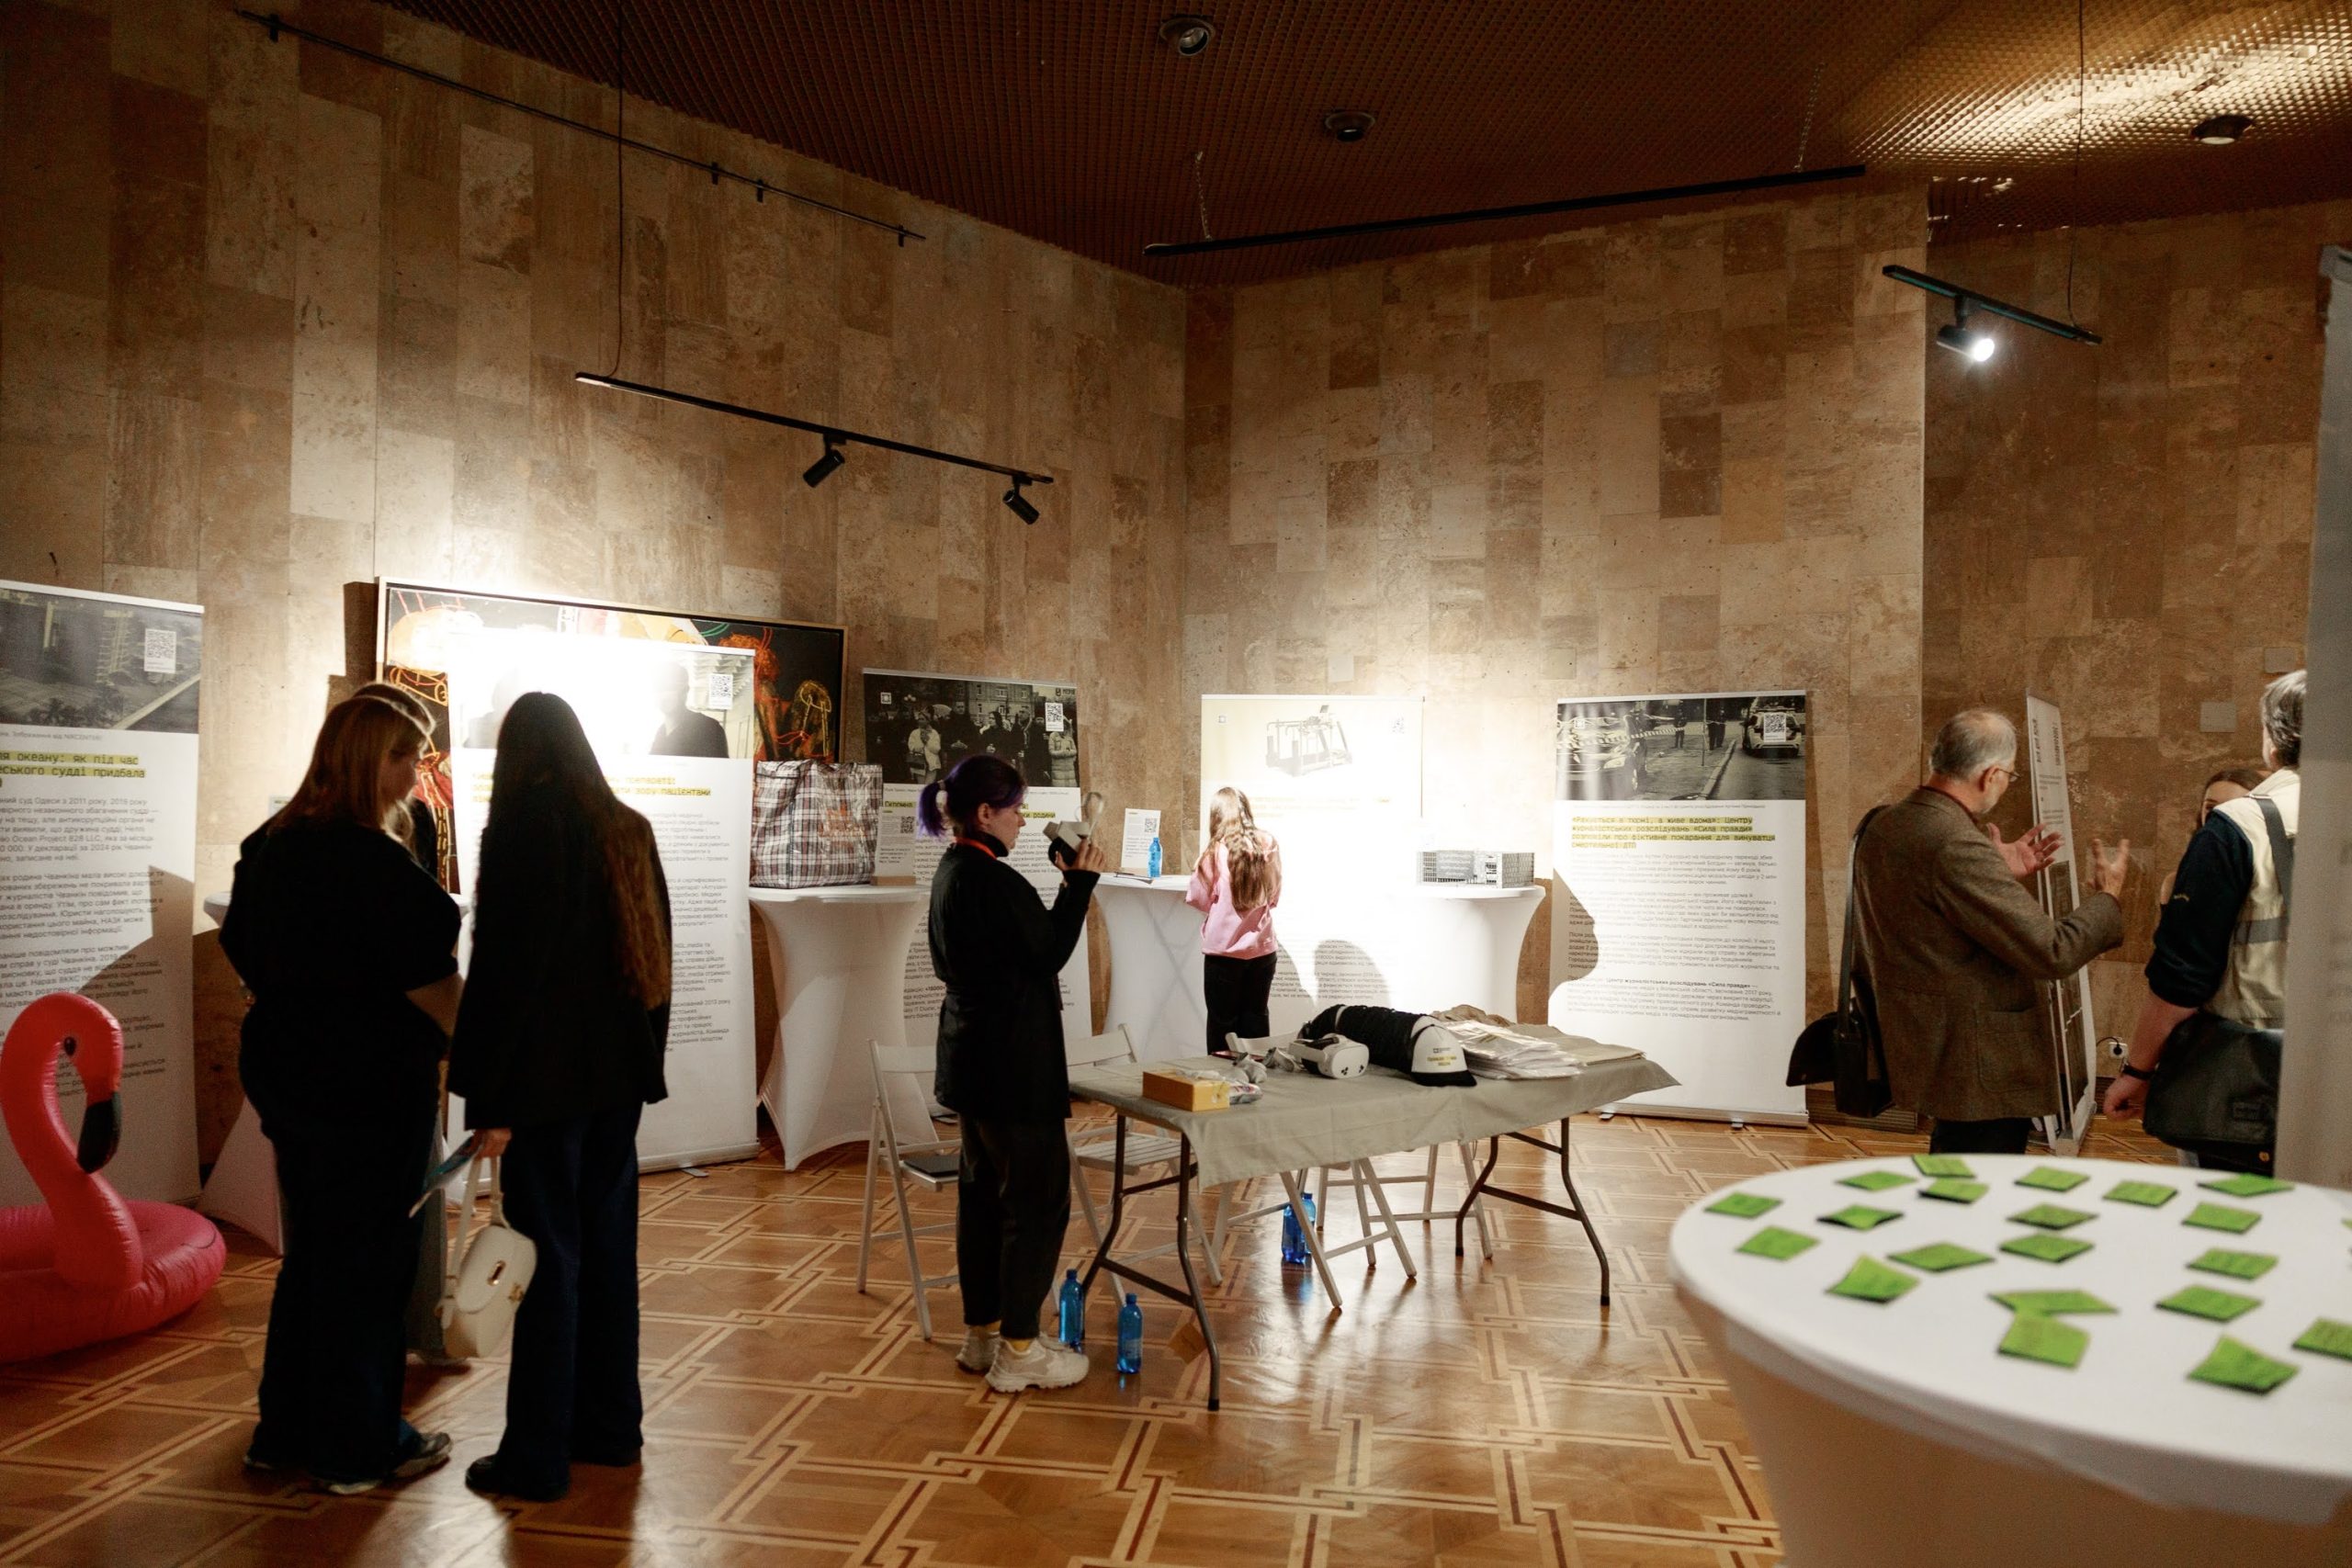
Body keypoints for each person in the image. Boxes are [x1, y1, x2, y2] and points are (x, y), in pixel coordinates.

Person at [220, 694, 462, 1494]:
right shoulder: (374, 863)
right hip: (369, 1085)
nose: (416, 775)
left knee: (315, 1254)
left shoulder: (271, 845)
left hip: (289, 1074)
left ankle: (284, 1430)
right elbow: (433, 988)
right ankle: (358, 1447)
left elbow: (243, 949)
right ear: (368, 760)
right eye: (405, 757)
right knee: (369, 1264)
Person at [448, 694, 673, 1502]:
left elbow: (507, 974)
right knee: (608, 1257)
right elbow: (657, 961)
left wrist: (486, 1095)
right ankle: (610, 1429)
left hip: (543, 1089)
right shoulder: (627, 828)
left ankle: (537, 1456)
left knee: (544, 1264)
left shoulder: (524, 829)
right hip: (616, 1083)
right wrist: (645, 1062)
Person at [1850, 708, 2130, 1155]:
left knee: (1955, 1170)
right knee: (1978, 1180)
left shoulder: (1884, 823)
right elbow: (2052, 950)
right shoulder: (1956, 842)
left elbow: (1932, 915)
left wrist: (1994, 870)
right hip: (1979, 1060)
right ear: (1991, 775)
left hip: (1923, 1041)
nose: (2006, 784)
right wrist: (2108, 899)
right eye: (2010, 776)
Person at [921, 753, 1106, 1393]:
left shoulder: (953, 872)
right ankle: (1021, 1349)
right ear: (984, 812)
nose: (1023, 821)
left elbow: (1021, 949)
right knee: (1036, 1203)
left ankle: (984, 1332)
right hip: (1013, 1068)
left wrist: (1064, 885)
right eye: (1016, 809)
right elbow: (1049, 951)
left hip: (971, 1064)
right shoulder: (994, 881)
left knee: (982, 1202)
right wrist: (1079, 885)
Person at [2103, 673, 2302, 1170]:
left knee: (2238, 1211)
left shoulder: (2238, 827)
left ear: (2272, 740)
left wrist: (2137, 1072)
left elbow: (2181, 978)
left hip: (2252, 1079)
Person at [349, 678, 462, 1366]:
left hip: (366, 1057)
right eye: (408, 756)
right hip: (375, 1063)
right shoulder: (342, 846)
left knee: (409, 1202)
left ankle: (422, 1327)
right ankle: (368, 1391)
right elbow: (420, 953)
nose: (418, 772)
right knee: (379, 1228)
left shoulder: (413, 817)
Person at [1185, 787, 1283, 1055]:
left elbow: (1197, 897)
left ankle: (1222, 1080)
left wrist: (1222, 910)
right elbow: (1274, 894)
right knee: (1256, 1019)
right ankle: (1258, 1077)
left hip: (1223, 953)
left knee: (1222, 1025)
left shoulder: (1214, 851)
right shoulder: (1268, 843)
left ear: (1217, 815)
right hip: (1262, 950)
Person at [2154, 764, 2268, 907]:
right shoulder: (2176, 882)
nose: (2218, 817)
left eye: (2234, 808)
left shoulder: (2273, 883)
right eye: (2211, 807)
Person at [648, 661, 727, 758]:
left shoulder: (708, 728)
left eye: (671, 688)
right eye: (659, 689)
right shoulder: (661, 732)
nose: (664, 696)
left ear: (685, 690)